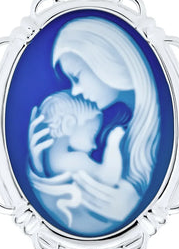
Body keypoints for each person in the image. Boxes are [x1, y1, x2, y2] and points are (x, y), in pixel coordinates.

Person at [28, 17, 160, 226]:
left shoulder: (155, 129)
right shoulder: (101, 117)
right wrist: (38, 166)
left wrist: (134, 205)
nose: (75, 91)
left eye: (77, 76)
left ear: (107, 63)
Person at [29, 91, 125, 226]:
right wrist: (113, 144)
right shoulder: (74, 160)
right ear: (69, 124)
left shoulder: (50, 159)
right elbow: (108, 177)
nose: (94, 145)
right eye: (92, 133)